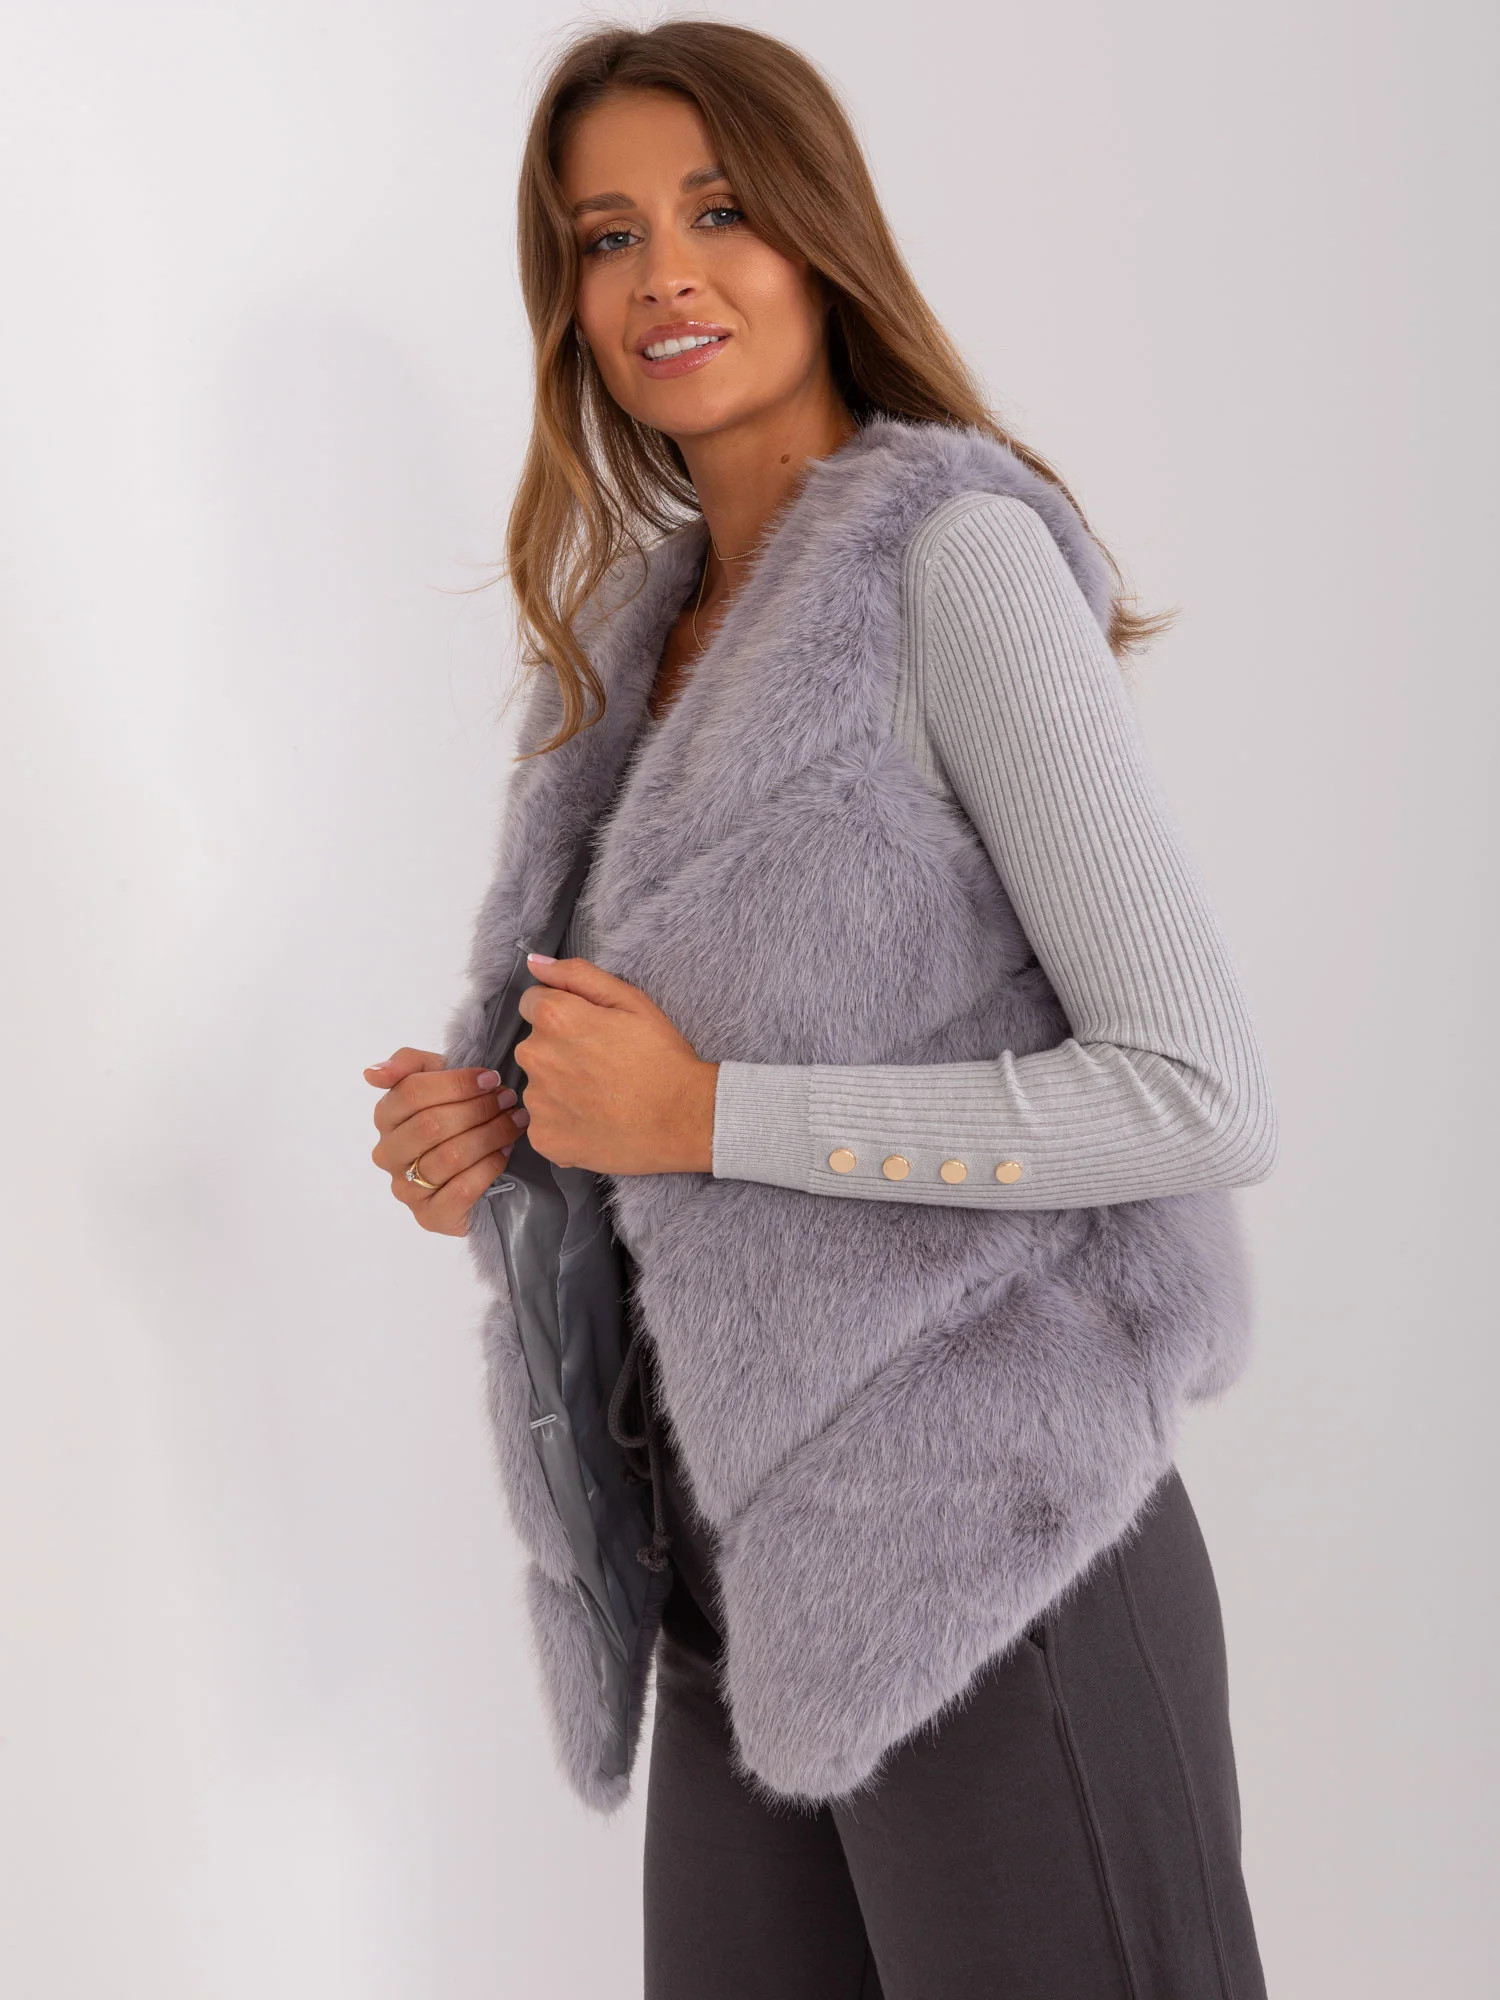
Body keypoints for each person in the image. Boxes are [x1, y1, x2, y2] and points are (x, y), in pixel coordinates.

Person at [365, 21, 1277, 1998]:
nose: (665, 275)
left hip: (999, 1556)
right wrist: (503, 1148)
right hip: (732, 1585)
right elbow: (638, 1122)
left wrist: (709, 1114)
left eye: (719, 211)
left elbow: (1197, 1090)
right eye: (608, 236)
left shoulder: (956, 566)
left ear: (820, 234)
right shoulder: (622, 654)